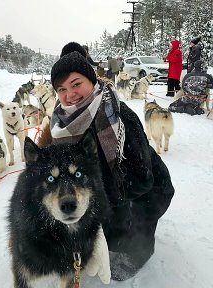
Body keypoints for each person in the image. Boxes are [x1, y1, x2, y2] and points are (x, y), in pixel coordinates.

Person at [38, 42, 175, 281]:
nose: (69, 94)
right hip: (110, 190)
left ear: (92, 80)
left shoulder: (119, 117)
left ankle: (138, 254)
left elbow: (142, 180)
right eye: (61, 88)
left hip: (147, 189)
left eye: (76, 84)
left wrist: (97, 203)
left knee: (131, 232)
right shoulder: (61, 121)